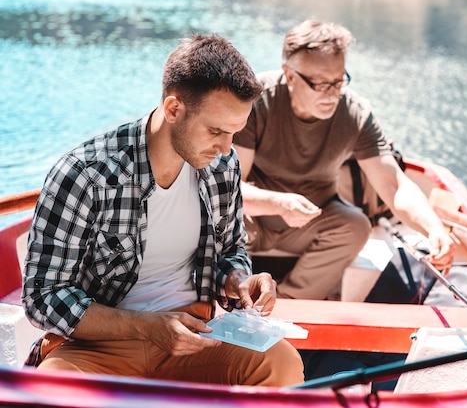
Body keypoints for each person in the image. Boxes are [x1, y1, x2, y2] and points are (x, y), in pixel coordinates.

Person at [21, 34, 304, 387]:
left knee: (282, 364)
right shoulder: (85, 174)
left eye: (234, 132)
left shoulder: (223, 164)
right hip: (99, 346)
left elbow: (230, 250)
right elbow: (43, 298)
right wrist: (147, 327)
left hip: (198, 337)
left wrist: (238, 281)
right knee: (55, 387)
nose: (226, 148)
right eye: (216, 130)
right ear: (173, 109)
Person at [233, 19, 456, 300]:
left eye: (338, 81)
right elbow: (229, 188)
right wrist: (278, 202)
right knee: (213, 222)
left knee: (356, 225)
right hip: (253, 218)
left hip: (313, 222)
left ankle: (288, 302)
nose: (331, 93)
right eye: (319, 83)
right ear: (289, 75)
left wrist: (433, 229)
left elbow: (393, 185)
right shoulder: (256, 101)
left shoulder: (355, 113)